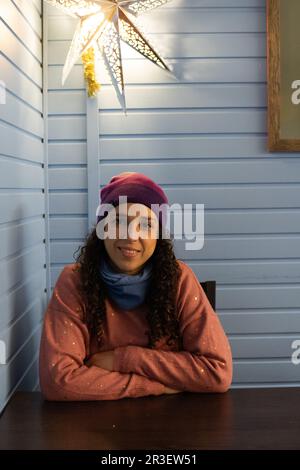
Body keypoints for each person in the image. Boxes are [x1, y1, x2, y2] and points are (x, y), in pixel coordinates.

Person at [39, 172, 232, 401]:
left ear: (158, 236)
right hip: (92, 427)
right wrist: (154, 386)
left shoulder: (179, 280)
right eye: (119, 221)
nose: (132, 236)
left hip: (171, 427)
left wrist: (122, 360)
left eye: (146, 224)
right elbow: (58, 382)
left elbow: (216, 372)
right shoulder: (74, 282)